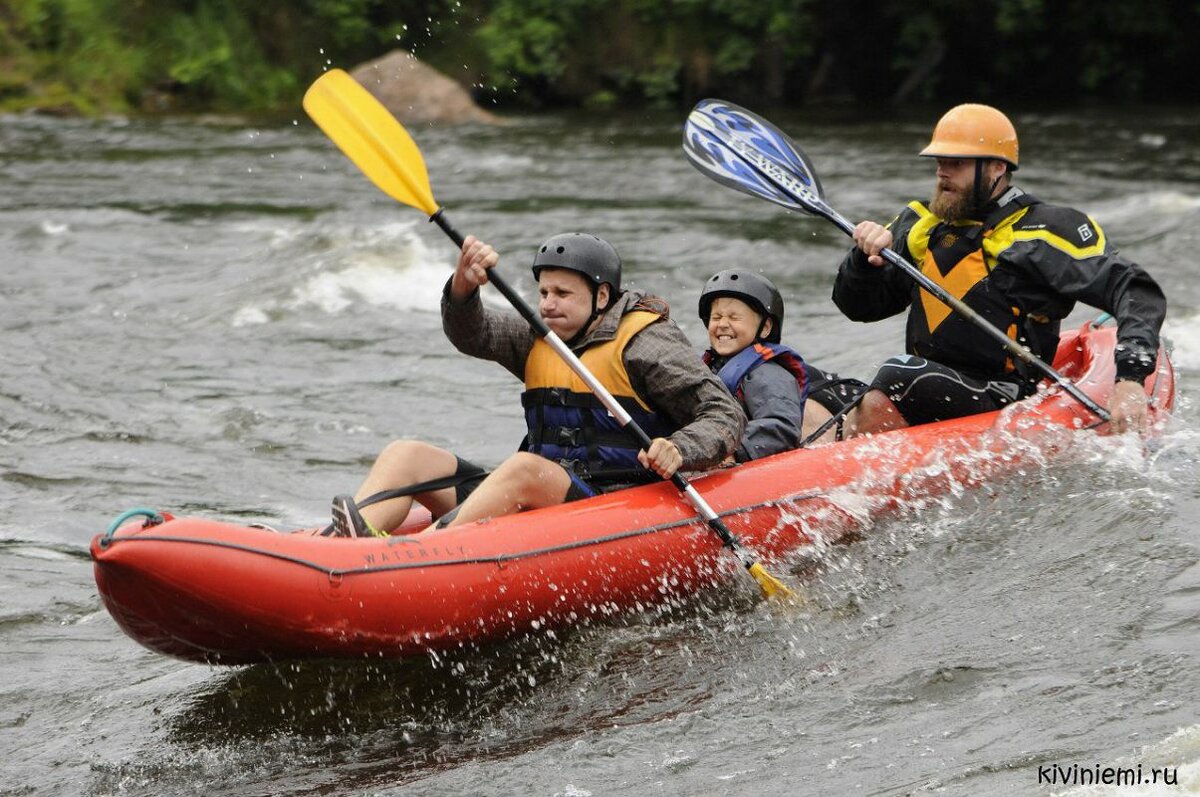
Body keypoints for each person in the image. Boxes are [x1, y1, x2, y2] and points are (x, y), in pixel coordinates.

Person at [329, 232, 745, 537]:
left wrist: (679, 448)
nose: (547, 303)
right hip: (544, 495)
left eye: (563, 293)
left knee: (526, 469)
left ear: (602, 296)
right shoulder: (539, 336)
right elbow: (473, 333)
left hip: (612, 502)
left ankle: (415, 556)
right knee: (408, 455)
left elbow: (723, 414)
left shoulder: (646, 343)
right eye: (543, 291)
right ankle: (351, 540)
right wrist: (463, 288)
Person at [831, 103, 1166, 437]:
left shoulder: (1042, 232)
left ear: (995, 169)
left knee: (897, 374)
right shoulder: (919, 225)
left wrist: (1130, 379)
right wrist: (863, 262)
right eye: (939, 162)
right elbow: (859, 309)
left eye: (956, 164)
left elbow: (1134, 289)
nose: (942, 173)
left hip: (1003, 394)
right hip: (925, 384)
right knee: (826, 387)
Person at [698, 269, 867, 454]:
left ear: (765, 328)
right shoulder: (706, 369)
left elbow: (781, 426)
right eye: (716, 317)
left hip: (743, 459)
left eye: (734, 317)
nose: (722, 324)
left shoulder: (768, 373)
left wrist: (733, 452)